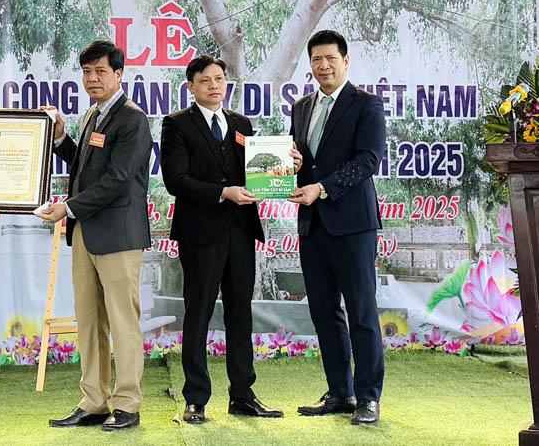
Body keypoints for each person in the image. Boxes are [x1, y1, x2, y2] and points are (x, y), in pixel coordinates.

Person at [161, 55, 298, 424]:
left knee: (241, 314)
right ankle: (196, 399)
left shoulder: (240, 123)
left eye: (219, 79)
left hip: (240, 232)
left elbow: (257, 173)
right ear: (190, 86)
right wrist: (224, 193)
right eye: (205, 80)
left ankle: (242, 394)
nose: (214, 86)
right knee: (199, 314)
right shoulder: (176, 125)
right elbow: (176, 181)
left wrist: (286, 168)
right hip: (200, 235)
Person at [38, 41, 152, 432]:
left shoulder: (132, 119)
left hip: (118, 235)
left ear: (119, 74)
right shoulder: (92, 115)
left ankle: (127, 405)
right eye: (87, 72)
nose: (92, 79)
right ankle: (94, 401)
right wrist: (58, 139)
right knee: (89, 320)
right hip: (86, 231)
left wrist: (67, 208)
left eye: (100, 71)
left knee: (123, 322)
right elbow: (85, 168)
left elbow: (118, 181)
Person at [288, 30, 387, 425]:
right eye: (316, 59)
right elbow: (303, 160)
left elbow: (368, 160)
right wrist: (292, 167)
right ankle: (340, 392)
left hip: (352, 225)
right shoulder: (301, 106)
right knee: (324, 311)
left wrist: (322, 188)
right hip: (312, 224)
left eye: (330, 58)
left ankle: (368, 398)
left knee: (361, 312)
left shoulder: (366, 104)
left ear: (346, 61)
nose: (323, 66)